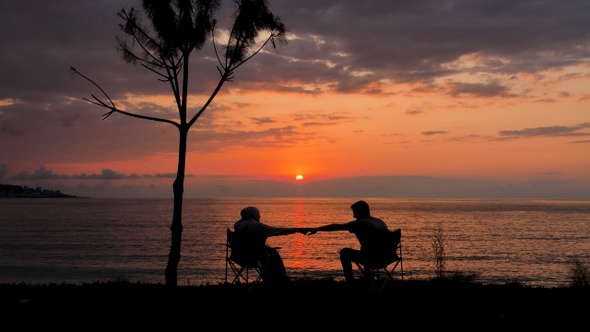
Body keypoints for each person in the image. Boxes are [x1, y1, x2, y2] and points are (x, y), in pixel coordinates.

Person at [307, 200, 392, 283]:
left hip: (372, 259)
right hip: (386, 258)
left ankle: (350, 282)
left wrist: (317, 229)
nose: (354, 216)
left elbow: (337, 227)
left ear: (360, 212)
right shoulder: (380, 222)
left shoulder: (361, 223)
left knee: (345, 252)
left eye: (355, 212)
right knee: (368, 248)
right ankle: (369, 279)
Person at [233, 206, 309, 285]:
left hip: (239, 257)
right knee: (273, 254)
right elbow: (277, 231)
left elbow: (249, 244)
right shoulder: (257, 227)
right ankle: (279, 280)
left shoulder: (237, 226)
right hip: (253, 258)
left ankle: (271, 280)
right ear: (255, 215)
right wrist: (297, 230)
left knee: (268, 253)